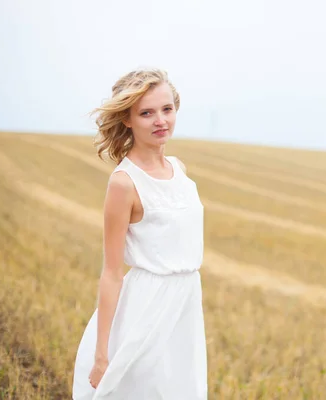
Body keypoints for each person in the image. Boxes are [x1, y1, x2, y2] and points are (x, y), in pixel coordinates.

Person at [72, 68, 207, 399]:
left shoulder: (179, 169)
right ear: (128, 120)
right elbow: (112, 272)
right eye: (146, 113)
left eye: (166, 109)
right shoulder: (124, 183)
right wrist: (101, 355)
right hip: (147, 310)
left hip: (185, 305)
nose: (160, 120)